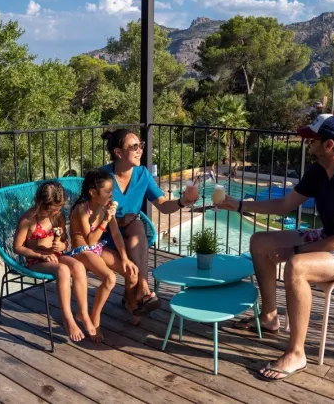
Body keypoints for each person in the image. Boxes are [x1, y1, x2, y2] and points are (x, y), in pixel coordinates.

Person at [217, 114, 334, 381]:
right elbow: (285, 205)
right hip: (331, 237)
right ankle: (269, 317)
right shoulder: (319, 171)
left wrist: (293, 252)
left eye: (311, 139)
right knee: (259, 241)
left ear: (329, 144)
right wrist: (238, 204)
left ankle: (297, 353)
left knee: (296, 267)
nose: (305, 142)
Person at [100, 129, 197, 315]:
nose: (140, 150)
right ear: (118, 153)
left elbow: (162, 205)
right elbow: (89, 214)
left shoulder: (142, 174)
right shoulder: (102, 177)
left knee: (136, 225)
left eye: (141, 145)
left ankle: (142, 289)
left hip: (130, 234)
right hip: (104, 236)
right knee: (135, 227)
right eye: (134, 146)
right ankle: (138, 296)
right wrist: (118, 221)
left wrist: (182, 201)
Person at [13, 181, 91, 342]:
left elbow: (65, 242)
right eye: (52, 209)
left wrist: (61, 244)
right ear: (41, 203)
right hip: (36, 260)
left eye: (59, 208)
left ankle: (83, 312)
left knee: (77, 265)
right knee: (62, 270)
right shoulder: (27, 220)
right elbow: (17, 247)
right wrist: (40, 255)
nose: (57, 211)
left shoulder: (57, 217)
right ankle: (67, 317)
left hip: (56, 255)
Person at [69, 169, 140, 338]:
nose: (111, 194)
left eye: (112, 190)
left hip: (98, 248)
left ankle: (130, 303)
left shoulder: (104, 208)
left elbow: (115, 234)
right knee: (110, 278)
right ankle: (95, 316)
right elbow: (90, 241)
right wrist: (106, 219)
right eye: (108, 191)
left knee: (132, 272)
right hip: (82, 250)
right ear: (93, 193)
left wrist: (125, 258)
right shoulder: (82, 209)